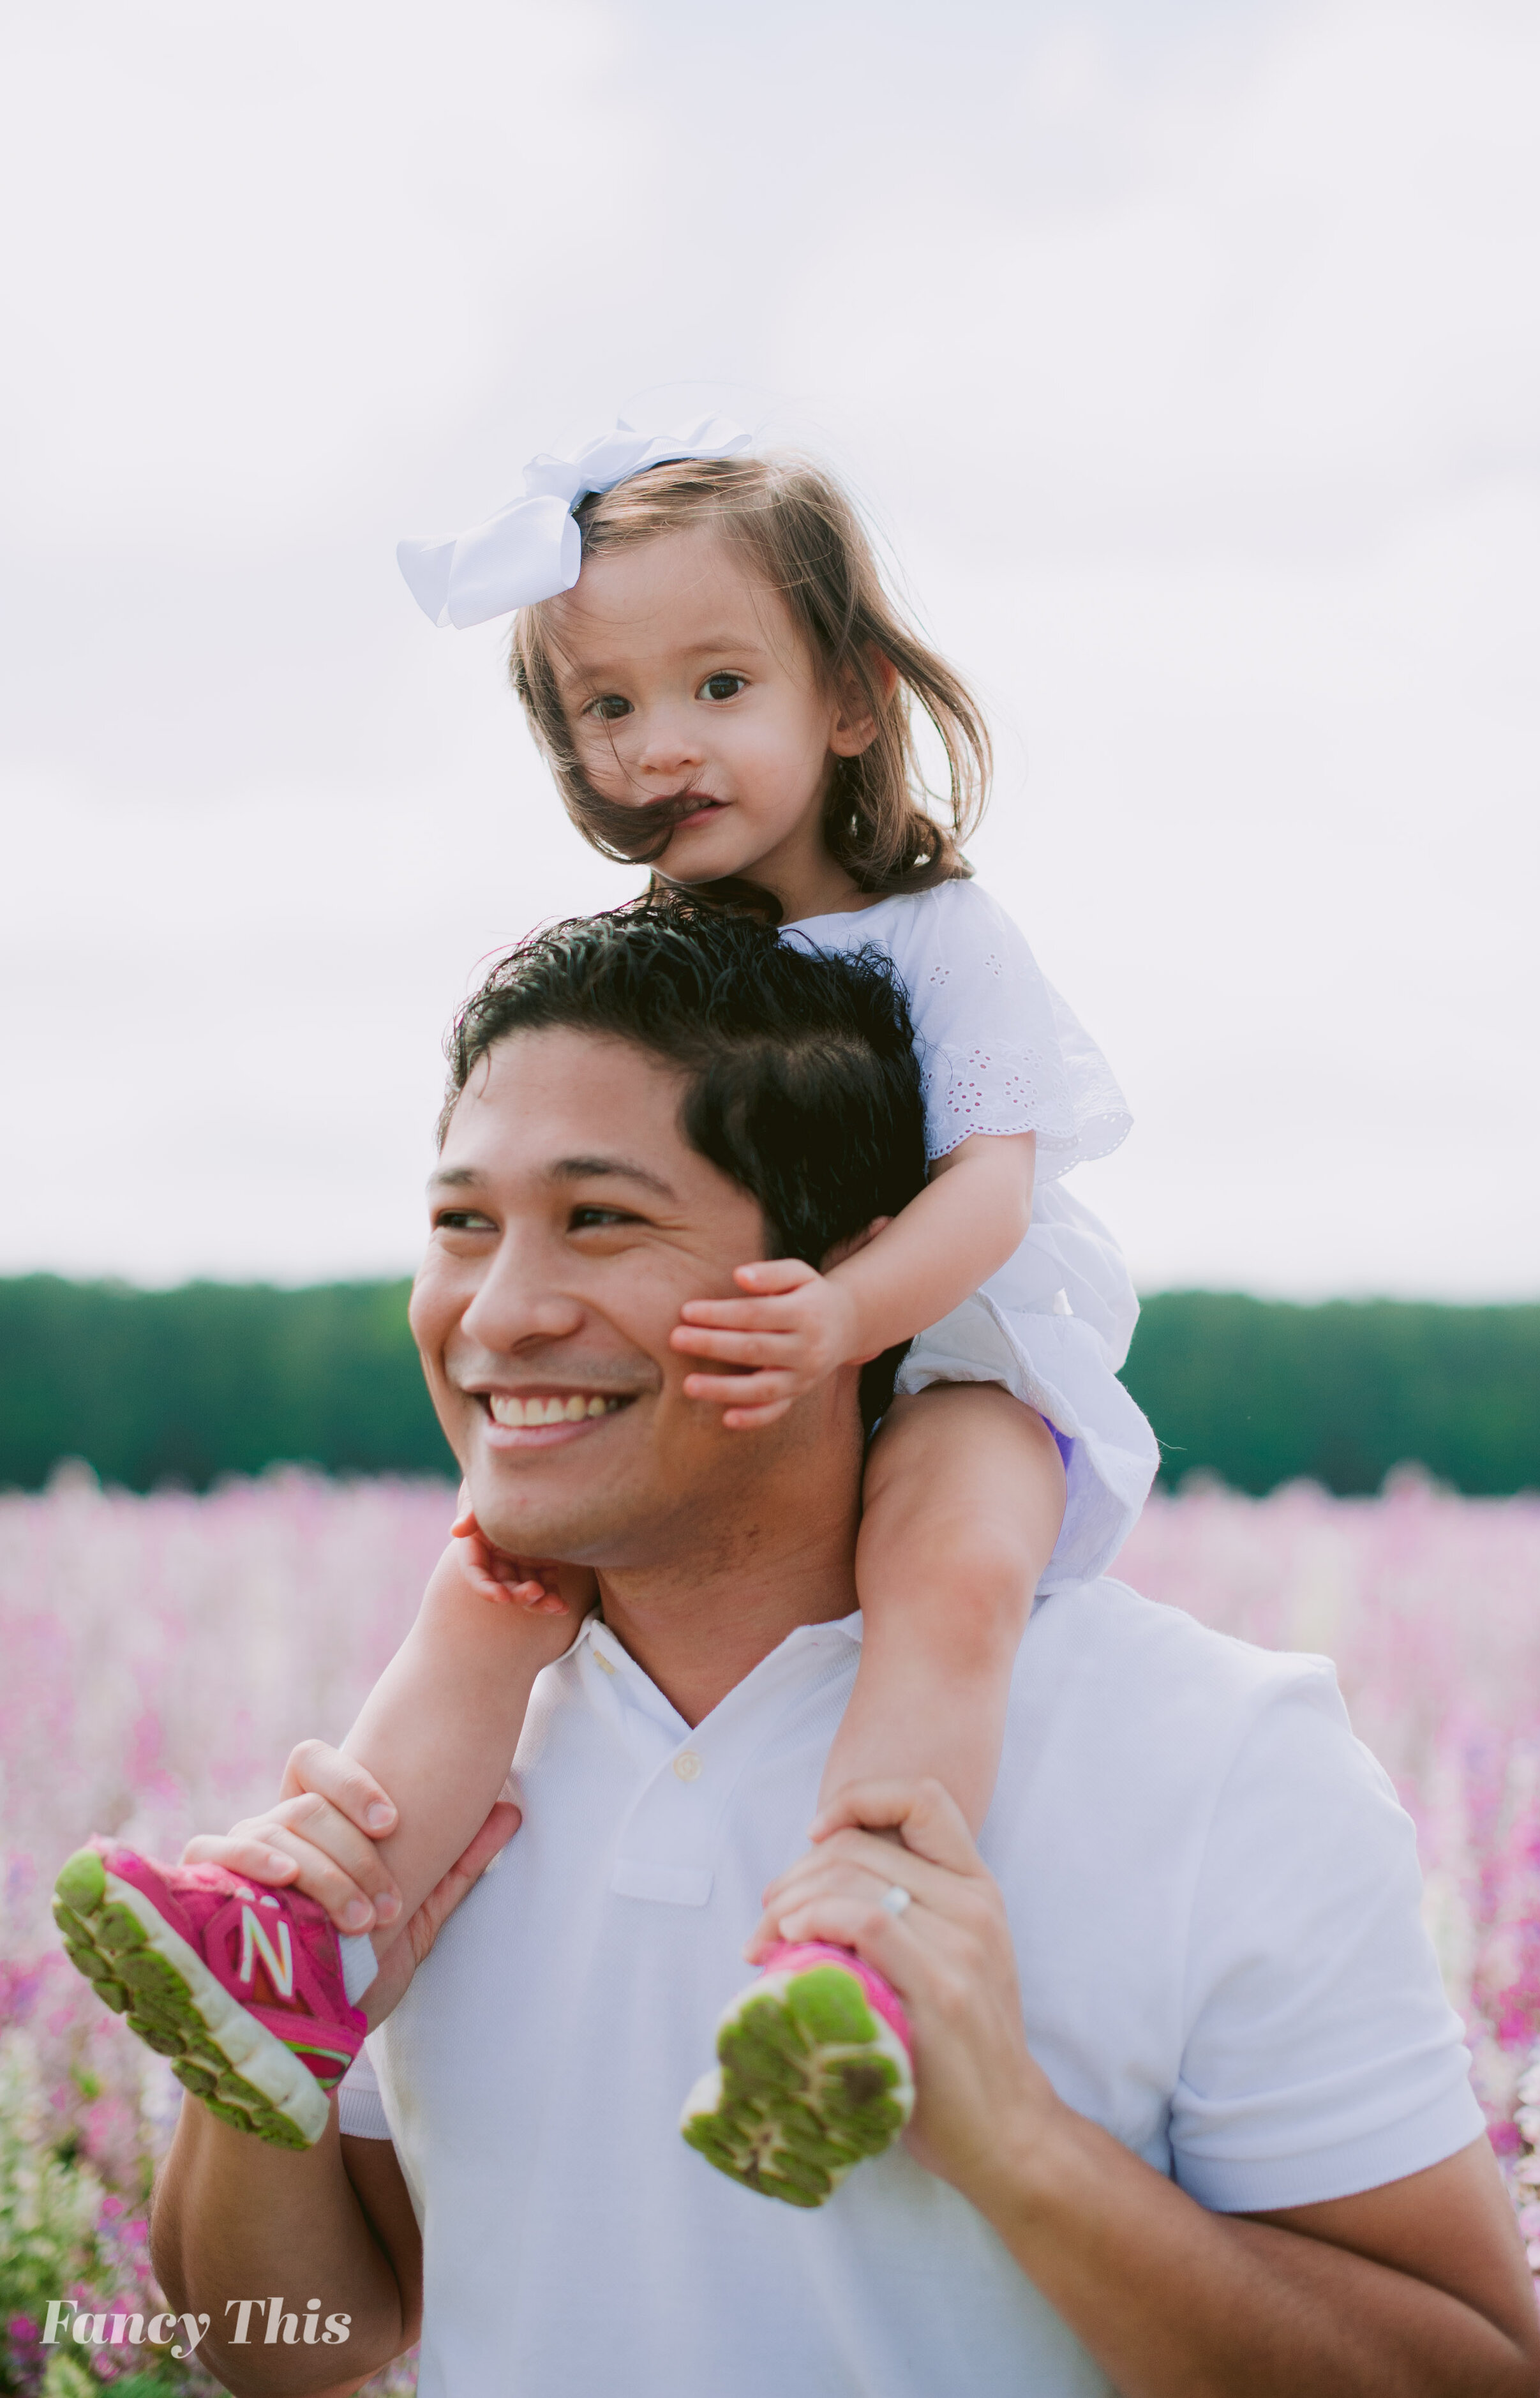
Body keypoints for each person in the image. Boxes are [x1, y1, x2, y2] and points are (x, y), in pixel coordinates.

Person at [143, 903, 1539, 2397]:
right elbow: (294, 2341)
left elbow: (1466, 2373)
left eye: (600, 1219)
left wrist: (1015, 2148)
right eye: (460, 1224)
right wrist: (263, 2063)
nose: (500, 1312)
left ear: (861, 1278)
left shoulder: (1210, 1754)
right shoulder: (435, 1755)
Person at [56, 419, 1160, 2195]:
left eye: (719, 682)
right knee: (490, 1577)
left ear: (854, 699)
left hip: (954, 1350)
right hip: (754, 1364)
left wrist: (843, 1310)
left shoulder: (937, 932)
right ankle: (306, 1924)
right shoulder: (665, 947)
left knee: (946, 1576)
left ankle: (857, 1947)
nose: (662, 744)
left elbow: (994, 1192)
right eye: (609, 709)